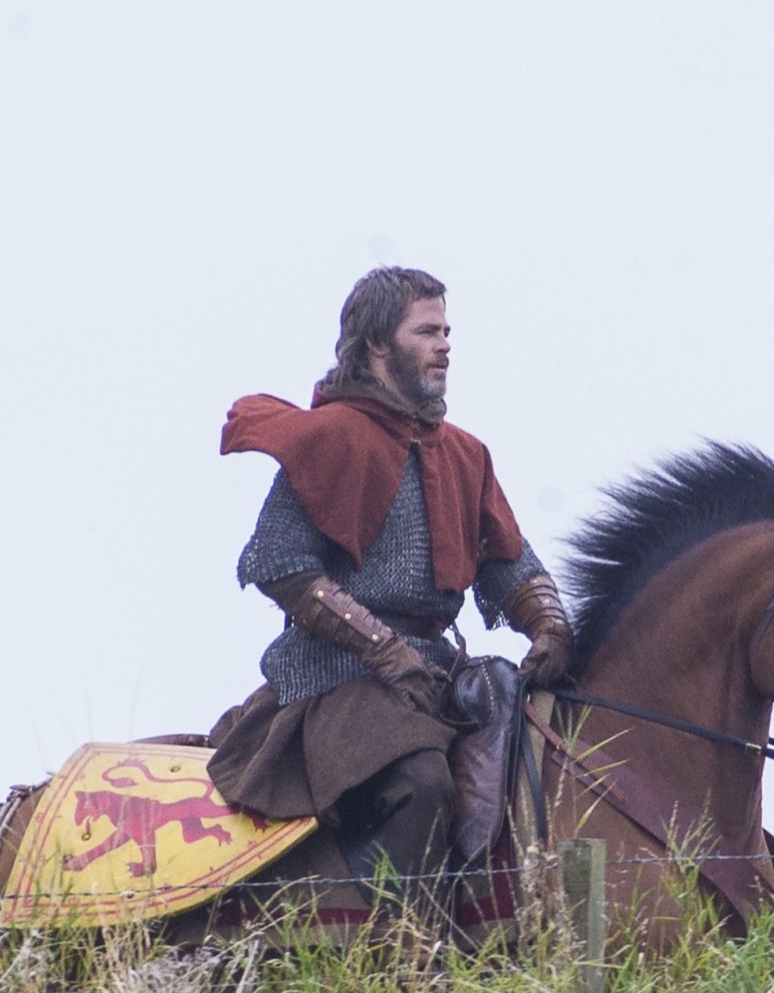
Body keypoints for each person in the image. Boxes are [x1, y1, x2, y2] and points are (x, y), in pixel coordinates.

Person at [206, 267, 572, 922]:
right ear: (377, 343)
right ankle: (408, 955)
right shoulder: (328, 437)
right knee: (421, 781)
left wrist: (549, 625)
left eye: (447, 331)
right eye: (427, 331)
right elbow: (280, 565)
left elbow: (508, 562)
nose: (445, 345)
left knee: (540, 753)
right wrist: (380, 647)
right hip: (338, 679)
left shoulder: (464, 453)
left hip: (437, 675)